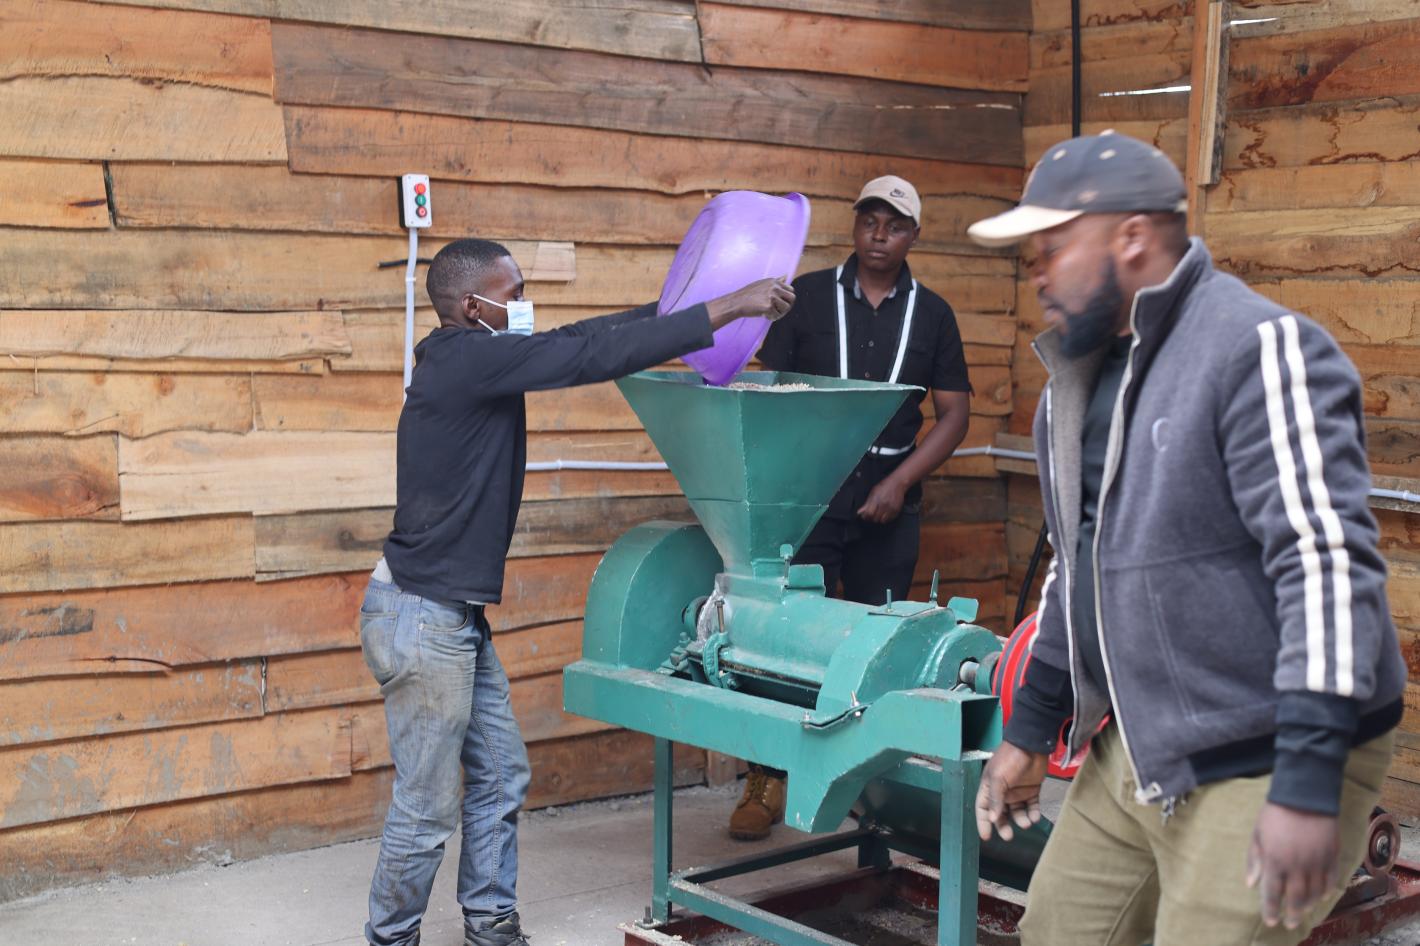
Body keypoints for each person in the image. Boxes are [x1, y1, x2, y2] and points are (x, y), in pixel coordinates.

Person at [968, 132, 1405, 946]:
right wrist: (1031, 733)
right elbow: (1076, 569)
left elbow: (1326, 566)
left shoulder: (1256, 350)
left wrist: (1309, 782)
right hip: (1145, 735)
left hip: (1272, 740)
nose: (1034, 274)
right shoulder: (1068, 391)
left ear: (1131, 237)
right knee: (1056, 932)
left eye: (1051, 248)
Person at [359, 238, 794, 946]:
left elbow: (582, 337)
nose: (525, 304)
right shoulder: (466, 360)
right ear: (473, 307)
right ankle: (391, 940)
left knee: (499, 776)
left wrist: (677, 310)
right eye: (515, 291)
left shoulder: (477, 354)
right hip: (421, 617)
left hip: (448, 614)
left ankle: (493, 928)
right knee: (427, 804)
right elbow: (588, 358)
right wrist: (730, 306)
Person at [728, 176, 973, 841]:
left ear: (913, 235)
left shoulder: (933, 313)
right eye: (869, 221)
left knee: (880, 645)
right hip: (811, 499)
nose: (879, 235)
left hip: (890, 501)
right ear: (855, 225)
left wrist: (899, 483)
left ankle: (870, 787)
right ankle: (766, 778)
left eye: (894, 226)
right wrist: (790, 482)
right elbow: (769, 388)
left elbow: (954, 415)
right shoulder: (806, 296)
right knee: (782, 639)